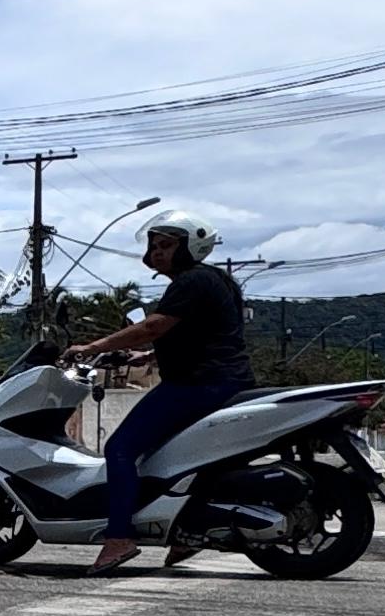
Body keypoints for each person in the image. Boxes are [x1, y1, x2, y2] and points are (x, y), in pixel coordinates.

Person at [64, 211, 253, 573]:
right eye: (154, 246)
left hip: (197, 385)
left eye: (166, 245)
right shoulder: (218, 280)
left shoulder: (190, 281)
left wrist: (91, 347)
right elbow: (204, 332)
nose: (158, 252)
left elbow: (153, 326)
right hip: (228, 381)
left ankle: (118, 537)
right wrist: (147, 356)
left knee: (120, 448)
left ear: (190, 246)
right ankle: (188, 533)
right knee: (185, 458)